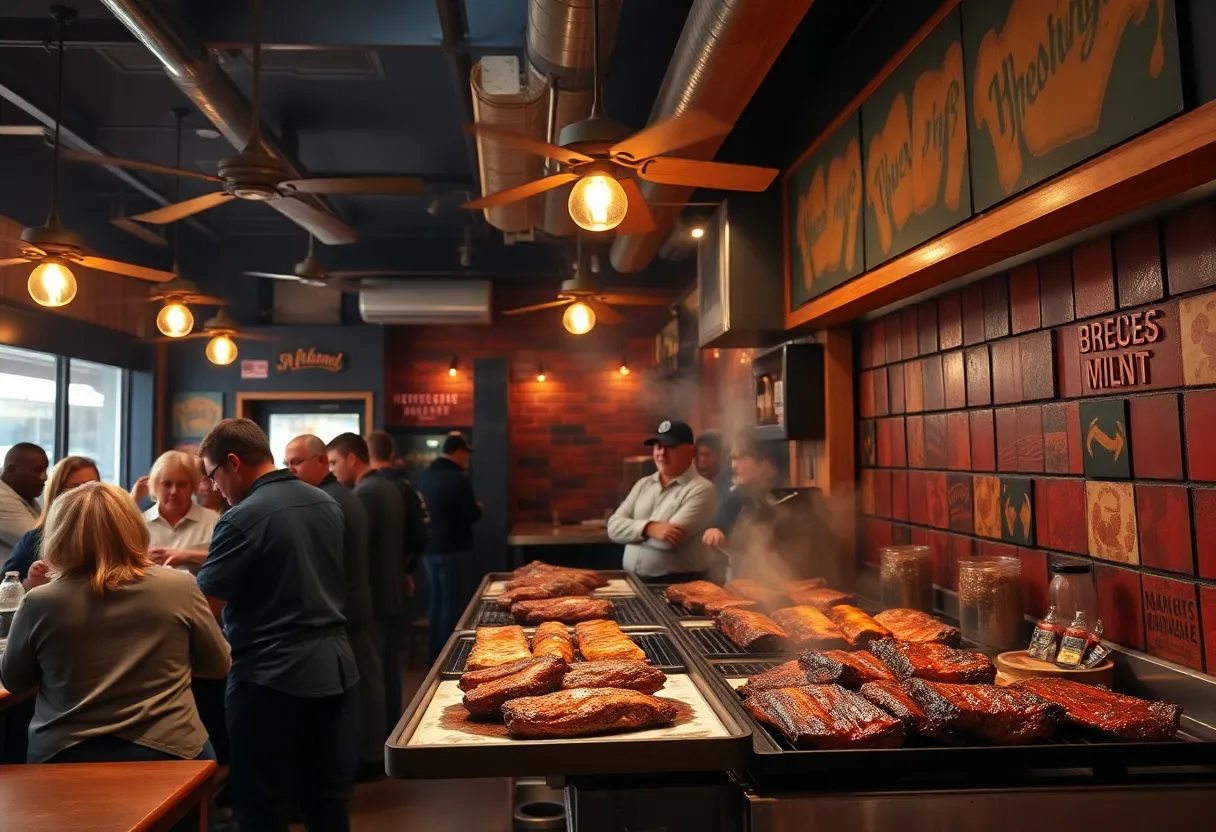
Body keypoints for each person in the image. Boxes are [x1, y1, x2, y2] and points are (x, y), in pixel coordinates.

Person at [196, 419, 358, 832]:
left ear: (233, 463)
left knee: (262, 807)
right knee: (326, 801)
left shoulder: (241, 518)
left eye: (213, 475)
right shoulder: (325, 502)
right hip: (334, 670)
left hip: (269, 678)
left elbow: (205, 607)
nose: (215, 488)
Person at [0, 482, 230, 763]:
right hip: (170, 747)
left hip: (65, 751)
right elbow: (219, 664)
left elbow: (14, 679)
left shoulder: (39, 601)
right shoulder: (180, 587)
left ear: (59, 533)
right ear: (133, 527)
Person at [285, 434, 383, 781]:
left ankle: (363, 759)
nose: (289, 470)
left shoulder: (328, 500)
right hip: (355, 600)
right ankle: (366, 756)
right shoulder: (340, 495)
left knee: (353, 690)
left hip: (344, 606)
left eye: (296, 462)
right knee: (365, 682)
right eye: (287, 463)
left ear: (321, 462)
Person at [325, 433, 408, 746]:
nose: (331, 470)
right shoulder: (392, 487)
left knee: (371, 675)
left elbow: (357, 550)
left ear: (351, 459)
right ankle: (391, 732)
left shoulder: (363, 494)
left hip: (371, 594)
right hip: (392, 590)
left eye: (334, 462)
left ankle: (376, 747)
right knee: (387, 670)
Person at [608, 419, 717, 582]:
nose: (661, 454)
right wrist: (648, 528)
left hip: (679, 584)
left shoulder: (702, 489)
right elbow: (613, 528)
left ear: (689, 451)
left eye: (670, 447)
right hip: (633, 581)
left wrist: (630, 533)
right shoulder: (643, 484)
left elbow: (667, 542)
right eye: (658, 447)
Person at [414, 433, 481, 663]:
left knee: (435, 601)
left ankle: (435, 654)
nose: (467, 460)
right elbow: (470, 513)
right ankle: (451, 657)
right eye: (466, 455)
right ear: (458, 452)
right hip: (455, 548)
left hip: (429, 549)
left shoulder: (423, 476)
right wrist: (479, 508)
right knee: (453, 604)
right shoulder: (457, 478)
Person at [3, 456, 99, 588]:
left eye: (93, 485)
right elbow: (6, 588)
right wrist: (32, 584)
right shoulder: (35, 539)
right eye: (77, 486)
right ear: (57, 491)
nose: (88, 492)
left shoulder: (113, 535)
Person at [701, 436, 783, 579]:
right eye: (732, 459)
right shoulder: (735, 487)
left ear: (765, 462)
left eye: (741, 458)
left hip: (780, 577)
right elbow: (723, 514)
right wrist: (716, 528)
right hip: (740, 577)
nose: (734, 466)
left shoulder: (787, 489)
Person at [139, 451, 221, 572]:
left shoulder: (214, 522)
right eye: (167, 484)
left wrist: (189, 556)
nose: (173, 491)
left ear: (193, 487)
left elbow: (228, 562)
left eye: (181, 484)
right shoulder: (139, 524)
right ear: (155, 486)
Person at [0, 443, 47, 565]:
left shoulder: (24, 492)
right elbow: (41, 545)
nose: (44, 477)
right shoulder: (2, 500)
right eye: (37, 470)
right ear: (11, 469)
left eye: (45, 469)